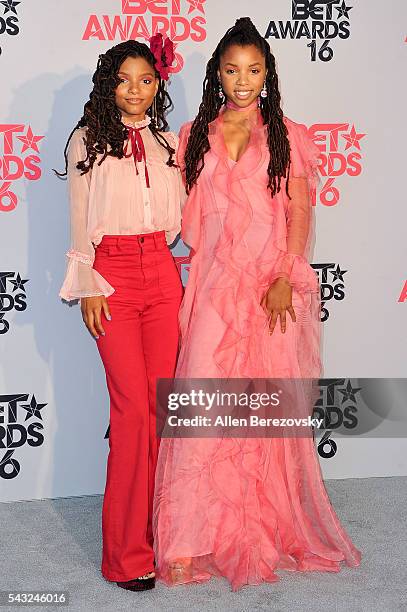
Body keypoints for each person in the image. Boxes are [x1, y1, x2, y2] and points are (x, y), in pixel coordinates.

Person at [153, 18, 362, 591]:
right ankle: (188, 539)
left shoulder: (290, 134)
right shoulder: (196, 132)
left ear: (268, 74)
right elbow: (183, 215)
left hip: (270, 289)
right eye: (231, 69)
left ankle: (259, 531)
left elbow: (301, 214)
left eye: (253, 70)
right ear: (216, 73)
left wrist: (284, 277)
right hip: (215, 285)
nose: (242, 81)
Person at [58, 37, 185, 592]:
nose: (135, 90)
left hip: (163, 271)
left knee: (160, 411)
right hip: (110, 276)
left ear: (158, 85)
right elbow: (79, 216)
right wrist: (87, 281)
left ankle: (165, 537)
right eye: (124, 79)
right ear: (109, 83)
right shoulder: (87, 141)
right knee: (132, 412)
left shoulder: (168, 141)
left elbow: (185, 215)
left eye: (146, 80)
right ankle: (125, 556)